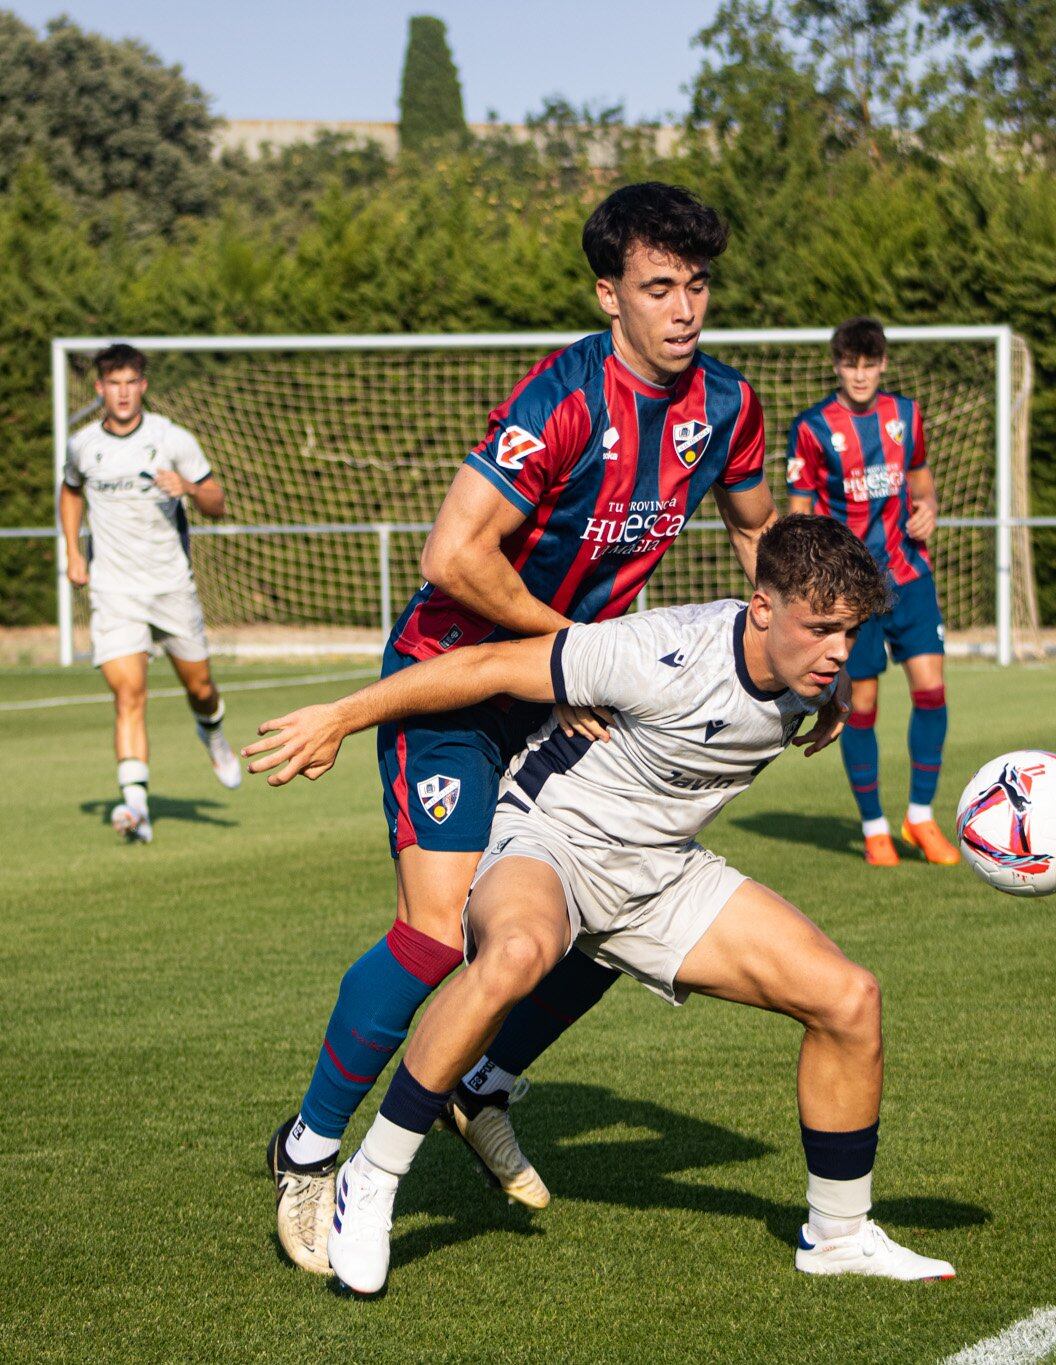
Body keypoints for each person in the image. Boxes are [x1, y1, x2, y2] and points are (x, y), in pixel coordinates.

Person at [265, 183, 848, 1274]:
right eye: (658, 286)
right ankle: (307, 1157)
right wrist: (568, 645)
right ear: (609, 294)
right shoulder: (564, 398)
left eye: (698, 285)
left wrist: (805, 664)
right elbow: (453, 559)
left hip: (570, 674)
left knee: (616, 878)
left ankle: (480, 1083)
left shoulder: (726, 405)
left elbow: (762, 535)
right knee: (440, 931)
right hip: (457, 676)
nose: (684, 309)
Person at [246, 516, 956, 1295]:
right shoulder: (657, 652)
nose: (838, 650)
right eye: (820, 630)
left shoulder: (818, 669)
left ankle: (838, 1234)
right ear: (760, 608)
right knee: (516, 952)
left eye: (849, 633)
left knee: (848, 998)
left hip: (660, 873)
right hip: (549, 843)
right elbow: (484, 666)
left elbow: (840, 661)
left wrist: (833, 689)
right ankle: (371, 1179)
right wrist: (339, 717)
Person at [787, 317, 960, 869]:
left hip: (910, 576)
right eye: (849, 364)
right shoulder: (813, 428)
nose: (859, 374)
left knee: (931, 691)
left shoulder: (905, 416)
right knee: (861, 705)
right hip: (853, 595)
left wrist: (928, 508)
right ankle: (875, 828)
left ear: (882, 364)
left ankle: (920, 817)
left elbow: (921, 478)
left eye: (869, 364)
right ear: (837, 365)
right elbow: (800, 511)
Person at [60, 343, 240, 845]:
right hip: (114, 591)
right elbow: (71, 490)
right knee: (128, 693)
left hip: (169, 586)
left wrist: (186, 486)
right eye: (112, 383)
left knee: (200, 689)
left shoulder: (171, 439)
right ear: (99, 388)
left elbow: (217, 503)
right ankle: (135, 807)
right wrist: (73, 552)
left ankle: (214, 735)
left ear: (143, 385)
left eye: (130, 382)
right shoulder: (82, 445)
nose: (121, 392)